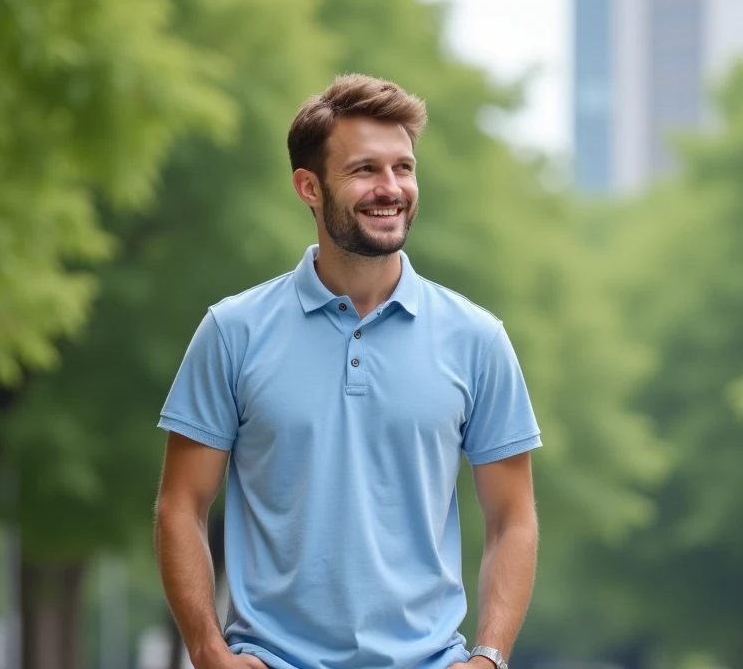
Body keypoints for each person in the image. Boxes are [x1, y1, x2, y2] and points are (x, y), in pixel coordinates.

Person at [153, 74, 542, 669]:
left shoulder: (477, 338)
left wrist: (489, 657)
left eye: (404, 168)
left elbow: (512, 519)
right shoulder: (233, 332)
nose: (392, 188)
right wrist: (208, 651)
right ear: (309, 187)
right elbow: (180, 504)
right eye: (365, 169)